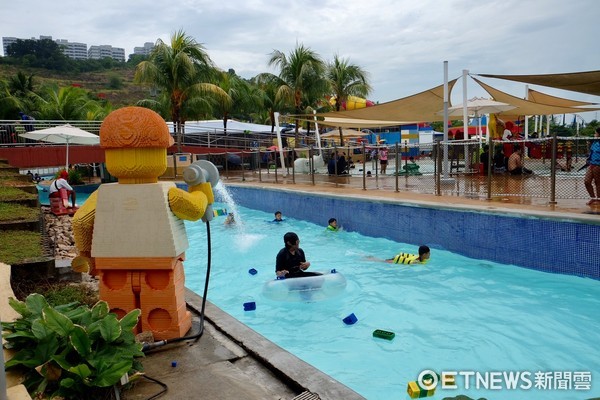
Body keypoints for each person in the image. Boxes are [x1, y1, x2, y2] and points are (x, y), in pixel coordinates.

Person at [584, 127, 600, 206]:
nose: (594, 134)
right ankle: (593, 198)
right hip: (591, 163)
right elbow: (592, 151)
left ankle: (599, 199)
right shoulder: (595, 141)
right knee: (587, 181)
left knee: (598, 182)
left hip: (598, 164)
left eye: (595, 133)